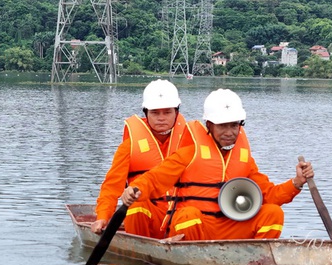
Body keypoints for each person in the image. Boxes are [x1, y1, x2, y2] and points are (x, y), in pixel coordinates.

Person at [120, 88, 314, 241]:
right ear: (209, 125)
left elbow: (269, 195)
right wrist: (135, 189)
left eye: (234, 125)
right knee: (188, 215)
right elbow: (155, 179)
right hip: (195, 228)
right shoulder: (189, 153)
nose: (229, 132)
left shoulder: (244, 159)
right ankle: (193, 262)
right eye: (222, 126)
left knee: (273, 212)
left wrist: (297, 182)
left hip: (230, 228)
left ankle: (254, 258)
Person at [91, 79, 191, 238]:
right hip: (146, 217)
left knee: (191, 214)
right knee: (136, 205)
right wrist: (102, 217)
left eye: (167, 112)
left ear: (176, 112)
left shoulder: (191, 142)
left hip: (179, 216)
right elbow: (111, 186)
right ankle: (141, 247)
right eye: (155, 113)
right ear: (146, 112)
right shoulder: (130, 146)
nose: (161, 118)